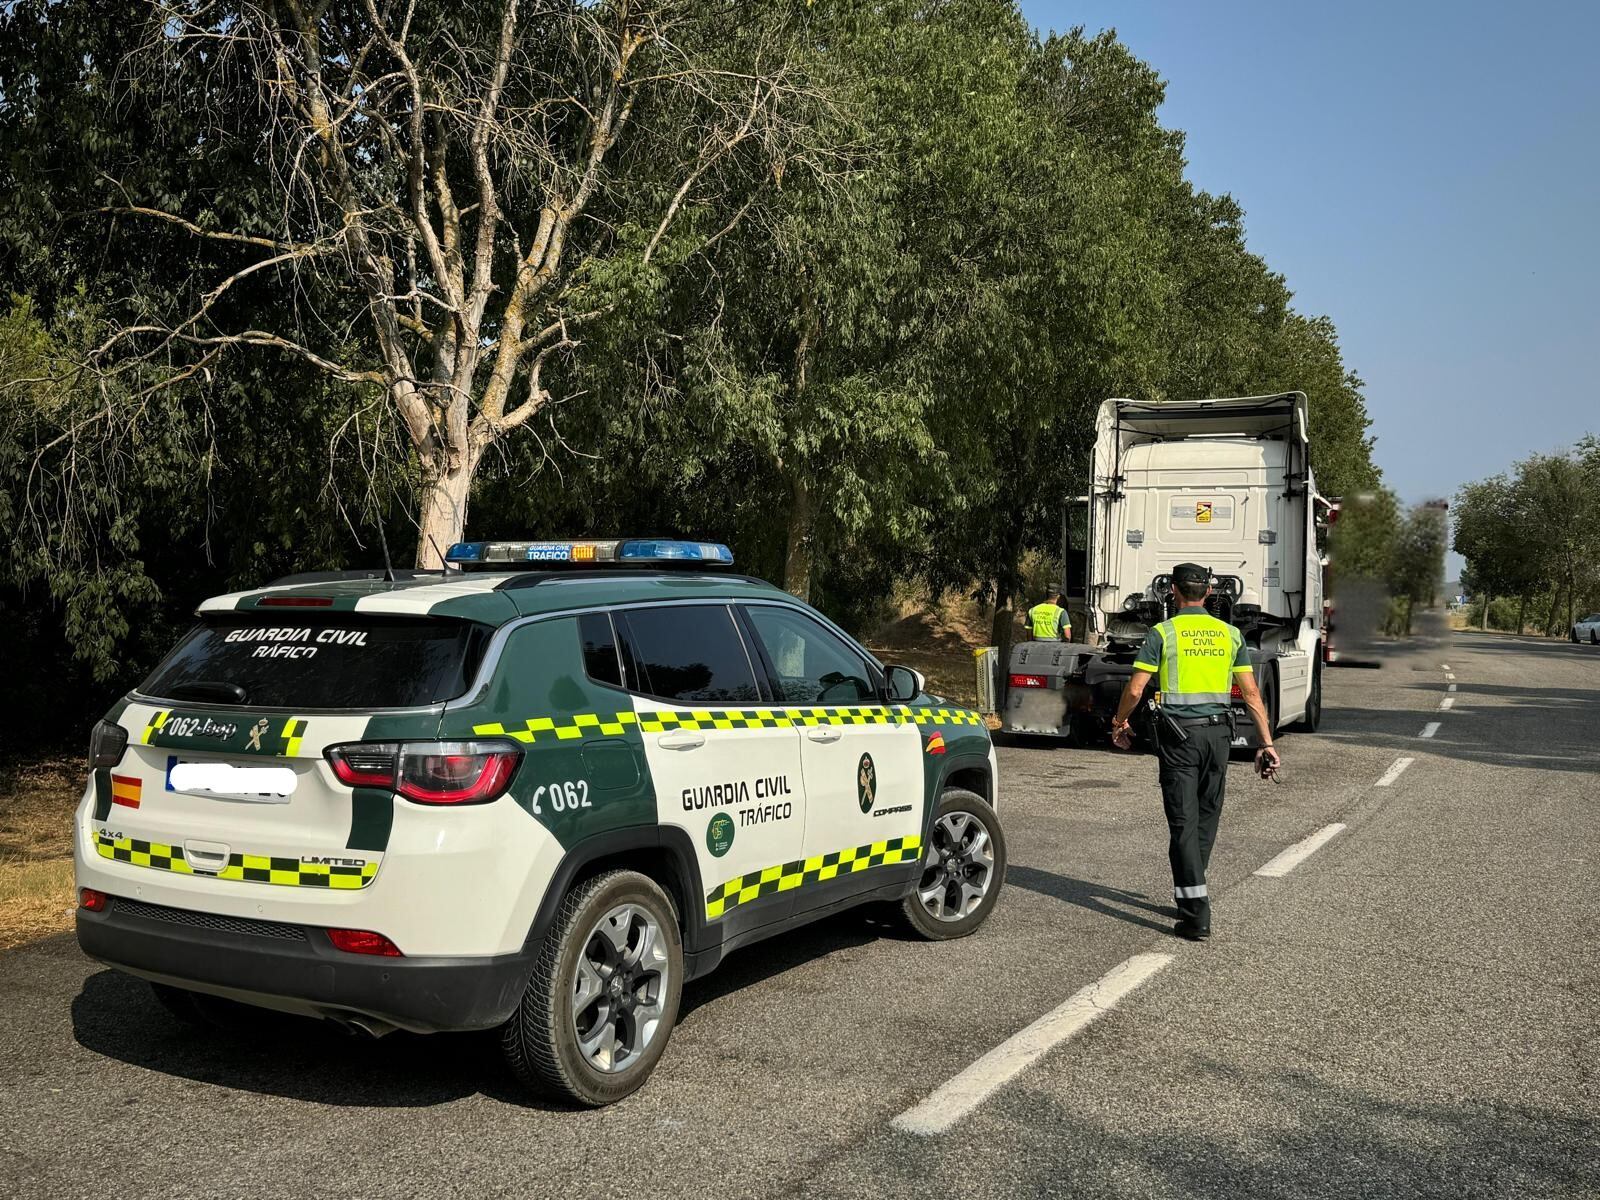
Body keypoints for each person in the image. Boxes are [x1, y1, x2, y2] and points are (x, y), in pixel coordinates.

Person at [1108, 563, 1280, 941]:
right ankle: (1192, 887)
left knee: (1183, 822)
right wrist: (1266, 743)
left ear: (1173, 590)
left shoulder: (1162, 633)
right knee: (1206, 817)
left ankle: (1196, 913)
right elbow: (1251, 694)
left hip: (1178, 739)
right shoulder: (1230, 635)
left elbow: (1136, 690)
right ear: (1208, 593)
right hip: (1220, 737)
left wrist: (1120, 723)